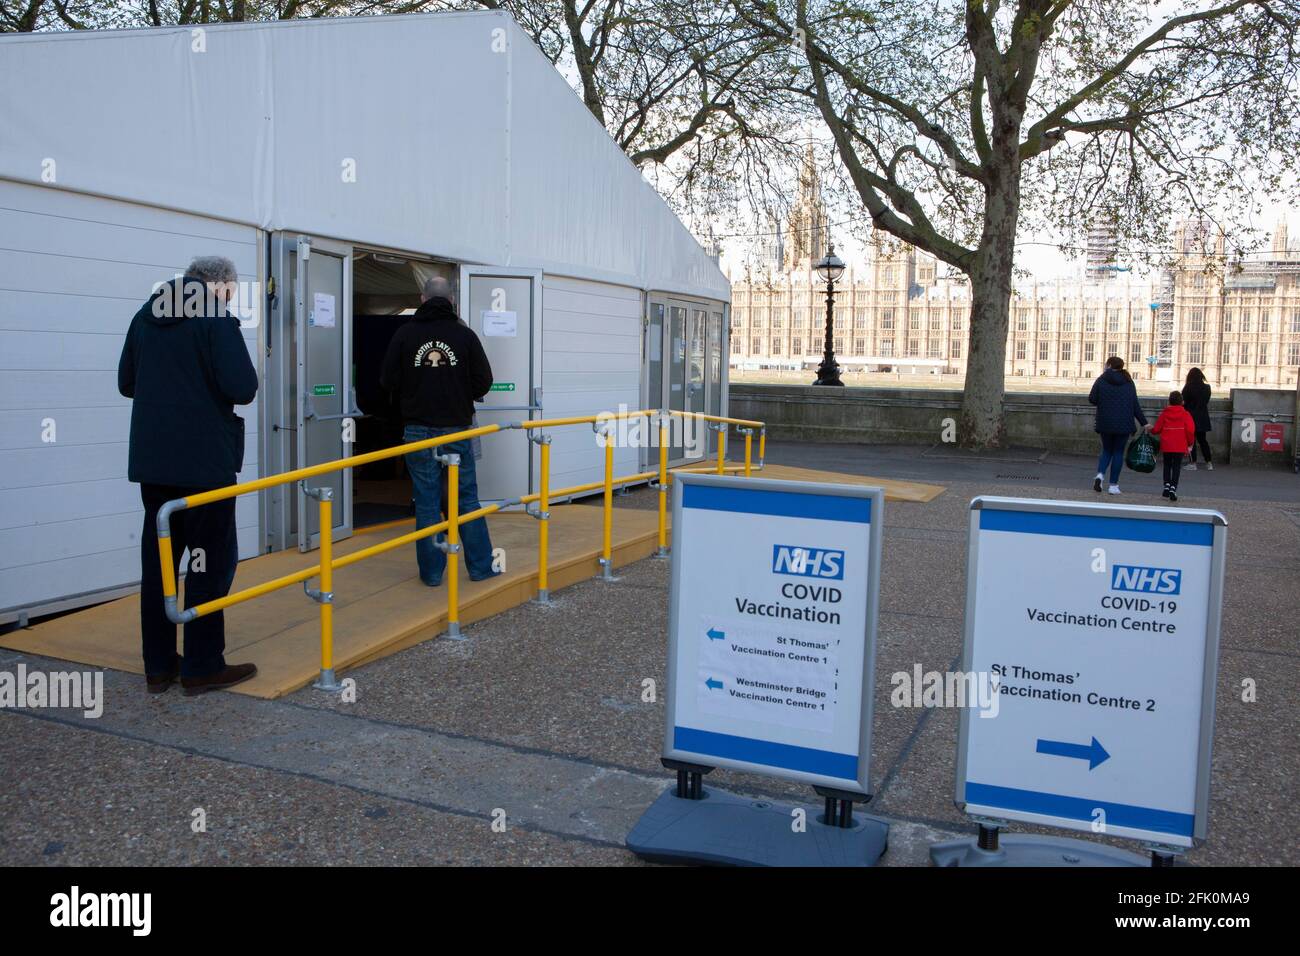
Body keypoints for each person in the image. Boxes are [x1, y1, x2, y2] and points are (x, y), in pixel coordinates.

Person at [118, 257, 259, 696]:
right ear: (220, 285)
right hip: (204, 465)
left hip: (154, 465)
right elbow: (243, 388)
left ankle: (158, 666)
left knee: (160, 565)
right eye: (232, 291)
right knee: (208, 563)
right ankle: (201, 665)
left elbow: (127, 382)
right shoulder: (215, 319)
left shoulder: (146, 315)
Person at [380, 276, 499, 585]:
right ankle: (481, 568)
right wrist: (460, 393)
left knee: (428, 502)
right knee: (467, 500)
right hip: (457, 429)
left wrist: (412, 392)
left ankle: (432, 575)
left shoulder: (405, 335)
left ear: (422, 299)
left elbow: (387, 381)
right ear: (452, 302)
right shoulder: (465, 335)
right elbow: (484, 380)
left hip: (417, 430)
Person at [1087, 355, 1148, 495]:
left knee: (1107, 450)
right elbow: (1135, 405)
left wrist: (1105, 401)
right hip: (1124, 423)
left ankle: (1100, 475)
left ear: (1108, 365)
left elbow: (1092, 399)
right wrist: (1144, 423)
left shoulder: (1101, 380)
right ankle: (1113, 486)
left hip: (1105, 422)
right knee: (1118, 453)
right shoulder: (1128, 381)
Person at [1151, 390, 1197, 502]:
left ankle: (1166, 485)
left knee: (1167, 465)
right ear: (1182, 402)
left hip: (1167, 444)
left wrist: (1150, 429)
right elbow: (1190, 431)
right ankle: (1173, 488)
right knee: (1176, 466)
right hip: (1180, 444)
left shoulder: (1165, 413)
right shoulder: (1186, 414)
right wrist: (1190, 443)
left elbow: (1156, 429)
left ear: (1169, 401)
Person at [1181, 367, 1214, 470]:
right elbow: (1205, 402)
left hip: (1190, 417)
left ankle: (1193, 463)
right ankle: (1209, 463)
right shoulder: (1207, 388)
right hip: (1203, 417)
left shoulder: (1188, 387)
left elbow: (1183, 402)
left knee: (1191, 441)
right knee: (1203, 441)